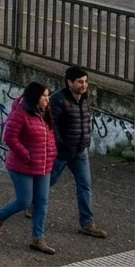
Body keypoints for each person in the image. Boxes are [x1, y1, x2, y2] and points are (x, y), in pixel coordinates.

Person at [0, 82, 58, 255]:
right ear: (35, 97)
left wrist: (52, 153)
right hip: (22, 165)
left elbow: (49, 134)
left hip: (43, 165)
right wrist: (27, 155)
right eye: (44, 96)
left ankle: (38, 238)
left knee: (41, 202)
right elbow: (9, 137)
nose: (47, 99)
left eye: (48, 95)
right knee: (24, 201)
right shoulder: (20, 113)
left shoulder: (45, 112)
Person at [47, 66, 106, 238]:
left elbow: (86, 121)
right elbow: (52, 124)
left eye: (86, 81)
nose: (84, 85)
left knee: (85, 186)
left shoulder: (85, 98)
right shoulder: (58, 99)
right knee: (49, 181)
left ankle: (87, 223)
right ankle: (31, 203)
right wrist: (60, 144)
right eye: (80, 82)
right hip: (62, 152)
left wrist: (85, 141)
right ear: (69, 82)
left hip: (80, 151)